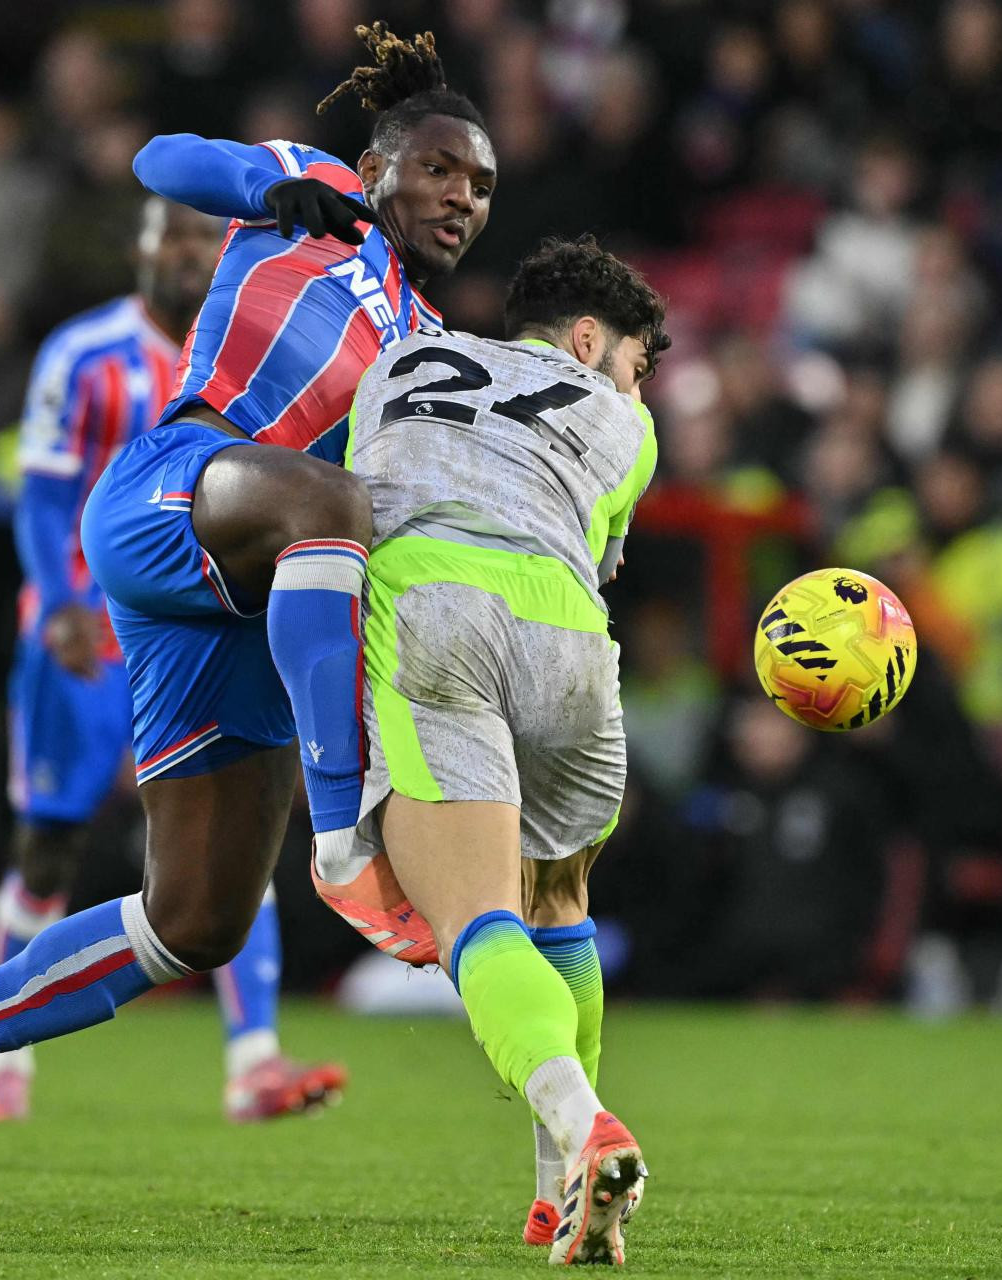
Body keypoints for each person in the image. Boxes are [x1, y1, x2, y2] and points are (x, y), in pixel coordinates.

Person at [0, 22, 496, 1220]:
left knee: (193, 921)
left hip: (247, 593)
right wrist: (269, 186)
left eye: (482, 186)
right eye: (441, 168)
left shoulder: (427, 342)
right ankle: (342, 843)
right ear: (381, 164)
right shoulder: (317, 196)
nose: (461, 197)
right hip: (172, 488)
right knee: (328, 502)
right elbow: (159, 159)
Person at [317, 236, 667, 1264]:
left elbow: (345, 505)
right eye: (638, 363)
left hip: (436, 608)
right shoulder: (628, 423)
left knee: (477, 919)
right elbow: (601, 555)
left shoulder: (394, 366)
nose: (637, 385)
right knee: (559, 900)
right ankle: (555, 1193)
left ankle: (586, 1128)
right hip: (568, 632)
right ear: (589, 340)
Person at [0, 195, 344, 1125]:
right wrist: (58, 603)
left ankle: (253, 1059)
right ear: (139, 248)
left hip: (205, 630)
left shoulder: (251, 368)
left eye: (202, 237)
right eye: (169, 235)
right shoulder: (85, 354)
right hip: (86, 641)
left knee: (235, 829)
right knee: (50, 846)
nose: (186, 252)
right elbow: (43, 496)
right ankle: (1, 1062)